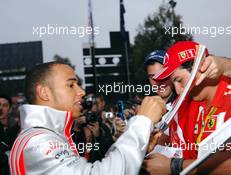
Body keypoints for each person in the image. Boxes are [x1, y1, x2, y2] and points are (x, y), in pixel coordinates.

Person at [9, 61, 166, 175]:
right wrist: (142, 122)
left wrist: (140, 146)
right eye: (71, 85)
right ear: (44, 93)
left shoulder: (48, 135)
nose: (81, 91)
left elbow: (93, 168)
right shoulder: (38, 142)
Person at [145, 41, 231, 175]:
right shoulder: (184, 103)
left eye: (179, 80)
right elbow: (169, 139)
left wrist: (174, 166)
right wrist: (149, 143)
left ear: (202, 67)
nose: (178, 90)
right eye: (173, 83)